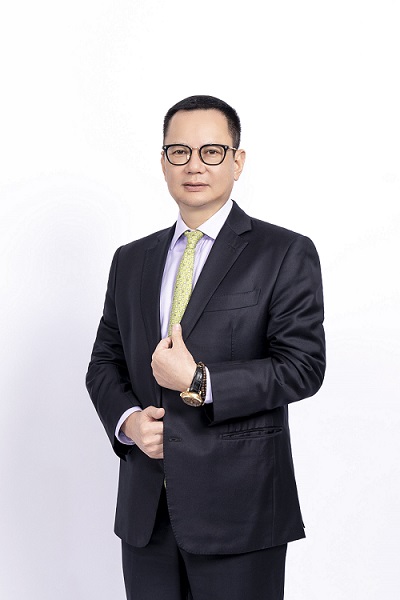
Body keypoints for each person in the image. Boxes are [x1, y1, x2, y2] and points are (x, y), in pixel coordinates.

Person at [86, 94, 326, 600]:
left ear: (237, 161)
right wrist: (128, 422)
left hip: (240, 511)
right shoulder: (130, 260)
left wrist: (200, 382)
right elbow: (104, 362)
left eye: (212, 151)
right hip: (146, 513)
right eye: (179, 152)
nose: (194, 165)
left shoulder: (283, 252)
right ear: (163, 162)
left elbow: (303, 367)